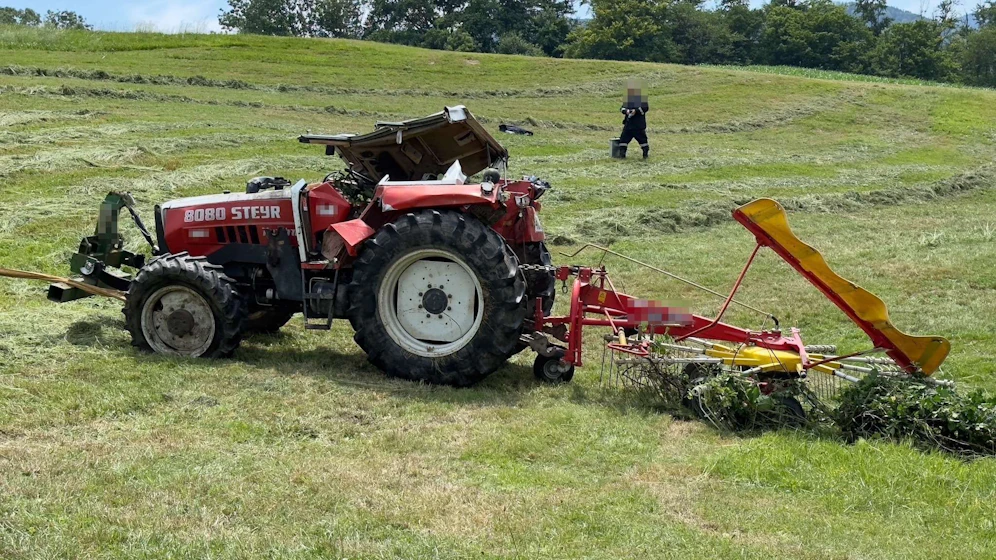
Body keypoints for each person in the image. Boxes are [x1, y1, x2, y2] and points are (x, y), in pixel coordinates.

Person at [619, 83, 649, 160]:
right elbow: (622, 109)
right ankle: (622, 155)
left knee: (643, 141)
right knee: (623, 140)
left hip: (638, 126)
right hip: (628, 125)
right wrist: (627, 111)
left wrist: (635, 111)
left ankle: (645, 155)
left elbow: (645, 108)